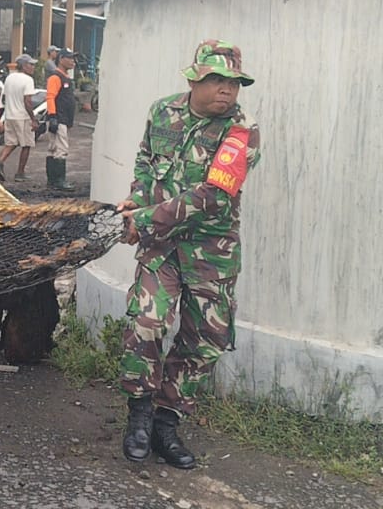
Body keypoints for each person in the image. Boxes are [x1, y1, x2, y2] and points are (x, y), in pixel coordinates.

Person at [116, 39, 260, 470]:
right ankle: (140, 417)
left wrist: (144, 219)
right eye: (216, 79)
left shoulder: (242, 130)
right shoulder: (163, 111)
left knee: (204, 341)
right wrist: (136, 199)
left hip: (210, 251)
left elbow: (213, 196)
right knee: (146, 323)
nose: (226, 90)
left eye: (234, 82)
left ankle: (167, 422)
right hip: (161, 248)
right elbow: (145, 163)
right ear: (194, 79)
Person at [0, 53, 39, 181]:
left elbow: (4, 97)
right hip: (23, 116)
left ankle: (0, 161)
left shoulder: (9, 78)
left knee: (11, 142)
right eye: (31, 64)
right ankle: (20, 173)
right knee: (26, 144)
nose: (33, 67)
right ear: (24, 66)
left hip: (10, 115)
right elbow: (28, 101)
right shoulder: (28, 80)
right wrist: (33, 119)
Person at [44, 48, 77, 192]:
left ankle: (52, 180)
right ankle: (59, 181)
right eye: (70, 58)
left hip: (62, 118)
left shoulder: (65, 77)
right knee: (61, 149)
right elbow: (50, 97)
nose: (73, 61)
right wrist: (52, 117)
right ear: (61, 59)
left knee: (53, 149)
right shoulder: (56, 77)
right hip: (58, 118)